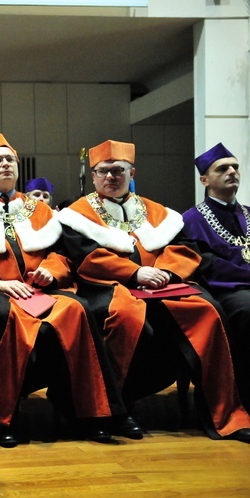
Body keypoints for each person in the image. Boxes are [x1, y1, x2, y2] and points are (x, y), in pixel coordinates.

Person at [0, 133, 128, 447]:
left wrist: (50, 271)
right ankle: (3, 416)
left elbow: (61, 254)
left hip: (39, 290)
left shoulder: (40, 211)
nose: (4, 165)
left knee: (76, 309)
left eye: (9, 159)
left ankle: (87, 413)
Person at [56, 139, 250, 442]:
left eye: (118, 170)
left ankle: (224, 412)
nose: (111, 177)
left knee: (207, 312)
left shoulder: (156, 211)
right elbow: (84, 254)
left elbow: (184, 247)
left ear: (131, 172)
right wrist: (135, 272)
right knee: (127, 319)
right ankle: (115, 409)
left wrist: (166, 272)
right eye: (103, 171)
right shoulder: (76, 213)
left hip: (163, 285)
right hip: (108, 286)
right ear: (93, 176)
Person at [182, 142, 250, 406]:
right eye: (223, 168)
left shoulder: (248, 213)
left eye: (235, 167)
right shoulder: (191, 219)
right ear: (204, 179)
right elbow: (203, 263)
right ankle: (241, 396)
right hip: (224, 291)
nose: (232, 172)